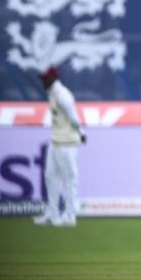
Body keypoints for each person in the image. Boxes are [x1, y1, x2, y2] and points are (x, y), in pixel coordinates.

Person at [33, 67, 86, 227]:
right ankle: (53, 213)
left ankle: (70, 216)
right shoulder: (53, 93)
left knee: (69, 180)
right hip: (56, 141)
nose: (42, 81)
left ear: (53, 79)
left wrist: (81, 133)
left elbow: (74, 118)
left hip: (67, 143)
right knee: (50, 177)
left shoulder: (63, 95)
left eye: (45, 78)